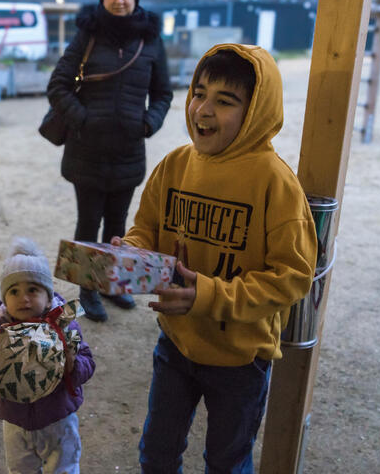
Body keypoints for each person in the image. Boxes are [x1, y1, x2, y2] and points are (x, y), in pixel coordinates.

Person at [116, 44, 318, 473]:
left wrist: (206, 295)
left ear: (256, 111)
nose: (203, 110)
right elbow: (146, 228)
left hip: (240, 357)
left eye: (225, 101)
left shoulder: (274, 182)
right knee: (156, 452)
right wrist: (133, 250)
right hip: (176, 342)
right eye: (199, 93)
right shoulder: (174, 165)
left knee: (226, 461)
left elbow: (293, 276)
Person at [46, 0, 173, 322]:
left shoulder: (150, 40)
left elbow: (163, 92)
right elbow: (57, 86)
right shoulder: (87, 35)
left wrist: (148, 123)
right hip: (87, 150)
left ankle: (111, 286)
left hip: (129, 151)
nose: (119, 0)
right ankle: (88, 291)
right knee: (88, 223)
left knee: (118, 225)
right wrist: (83, 119)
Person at [0, 238, 95, 474]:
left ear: (48, 296)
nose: (23, 298)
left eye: (33, 290)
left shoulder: (64, 325)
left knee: (64, 468)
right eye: (14, 291)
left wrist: (72, 362)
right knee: (20, 469)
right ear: (5, 298)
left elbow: (88, 362)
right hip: (15, 422)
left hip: (58, 419)